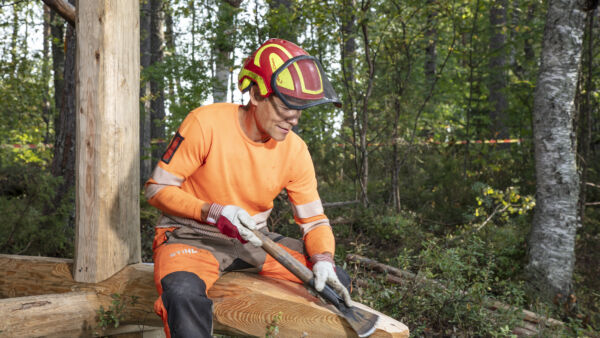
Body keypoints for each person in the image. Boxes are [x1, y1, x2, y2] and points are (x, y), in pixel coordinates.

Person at [145, 38, 352, 338]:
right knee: (182, 296)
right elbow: (156, 190)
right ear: (256, 94)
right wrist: (213, 212)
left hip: (253, 241)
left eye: (300, 110)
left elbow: (315, 221)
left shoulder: (295, 150)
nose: (293, 119)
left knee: (335, 283)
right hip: (191, 235)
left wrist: (323, 260)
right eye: (285, 107)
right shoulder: (206, 123)